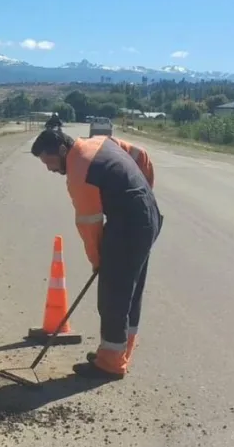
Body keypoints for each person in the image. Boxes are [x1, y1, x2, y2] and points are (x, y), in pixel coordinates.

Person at [30, 128, 162, 380]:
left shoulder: (80, 171)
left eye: (49, 162)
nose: (49, 169)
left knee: (112, 297)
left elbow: (89, 225)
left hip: (129, 226)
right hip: (147, 217)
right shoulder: (101, 142)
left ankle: (110, 364)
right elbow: (141, 156)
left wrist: (98, 262)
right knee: (130, 293)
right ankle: (118, 355)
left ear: (61, 150)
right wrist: (145, 195)